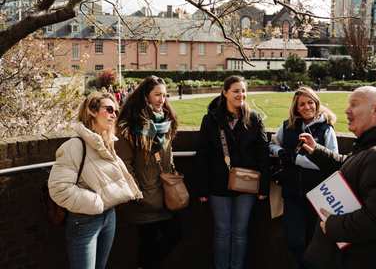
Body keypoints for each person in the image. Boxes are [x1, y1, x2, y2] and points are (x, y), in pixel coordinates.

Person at [299, 86, 376, 269]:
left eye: (354, 104)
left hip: (366, 259)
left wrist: (333, 226)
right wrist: (317, 152)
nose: (347, 110)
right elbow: (352, 166)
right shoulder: (374, 144)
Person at [48, 92, 142, 269]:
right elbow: (58, 188)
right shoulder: (74, 146)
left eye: (116, 111)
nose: (114, 114)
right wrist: (96, 203)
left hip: (109, 216)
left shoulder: (105, 143)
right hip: (85, 220)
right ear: (92, 111)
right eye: (109, 109)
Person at [196, 75, 270, 269]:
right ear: (225, 92)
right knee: (222, 231)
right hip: (218, 184)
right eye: (236, 91)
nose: (241, 95)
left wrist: (264, 187)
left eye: (243, 91)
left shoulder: (254, 118)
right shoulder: (210, 119)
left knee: (240, 231)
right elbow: (202, 155)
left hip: (247, 184)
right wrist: (202, 189)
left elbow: (263, 154)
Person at [115, 76, 182, 269]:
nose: (162, 99)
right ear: (146, 96)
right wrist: (138, 195)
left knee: (175, 234)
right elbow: (124, 165)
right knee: (148, 243)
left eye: (164, 95)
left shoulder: (165, 124)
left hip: (165, 195)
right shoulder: (129, 128)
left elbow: (168, 158)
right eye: (157, 95)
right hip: (144, 197)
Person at [269, 86, 338, 269]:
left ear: (316, 104)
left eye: (310, 103)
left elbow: (331, 161)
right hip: (292, 193)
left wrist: (296, 159)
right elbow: (271, 145)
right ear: (296, 108)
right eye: (302, 104)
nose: (307, 107)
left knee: (313, 242)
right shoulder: (288, 126)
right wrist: (282, 152)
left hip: (317, 194)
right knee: (291, 240)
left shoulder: (326, 129)